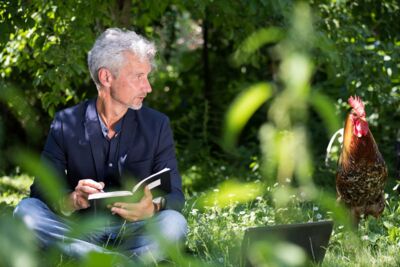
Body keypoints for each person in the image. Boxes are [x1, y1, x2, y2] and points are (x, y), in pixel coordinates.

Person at [13, 28, 187, 262]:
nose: (148, 87)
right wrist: (72, 200)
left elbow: (175, 195)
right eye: (138, 76)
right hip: (79, 231)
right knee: (25, 212)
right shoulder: (66, 123)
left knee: (175, 223)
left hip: (137, 232)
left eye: (147, 76)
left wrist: (153, 208)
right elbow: (41, 191)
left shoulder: (157, 125)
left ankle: (96, 260)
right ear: (106, 77)